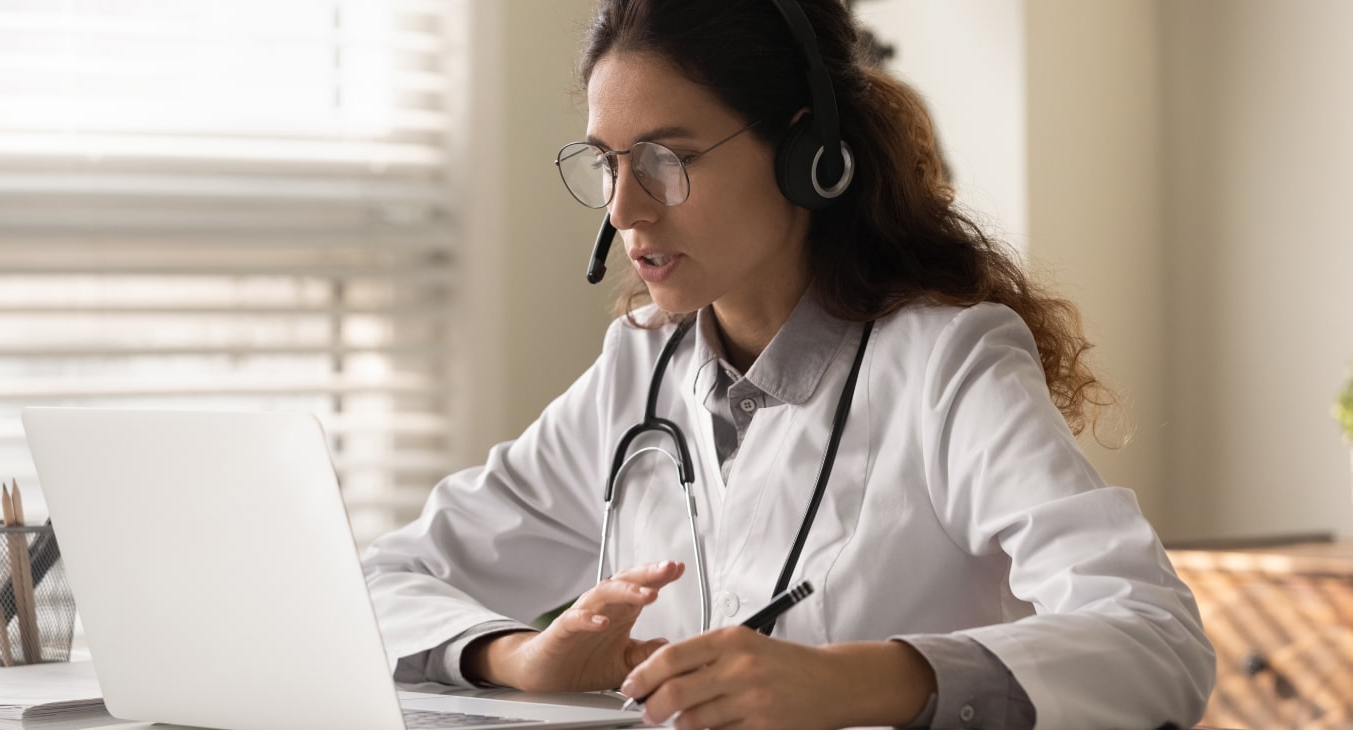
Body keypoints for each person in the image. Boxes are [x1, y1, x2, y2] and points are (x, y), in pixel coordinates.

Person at [361, 1, 1216, 728]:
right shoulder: (639, 370)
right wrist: (520, 659)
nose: (625, 209)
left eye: (666, 159)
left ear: (808, 157)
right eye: (608, 164)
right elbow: (378, 583)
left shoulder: (944, 363)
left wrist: (852, 680)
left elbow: (1154, 637)